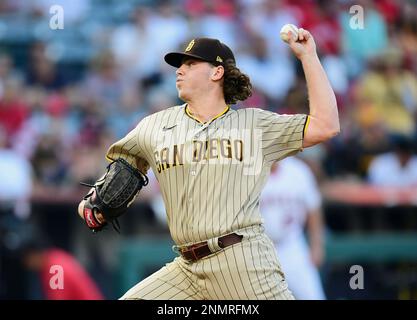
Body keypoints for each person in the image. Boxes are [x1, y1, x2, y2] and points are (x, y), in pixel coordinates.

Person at [78, 29, 339, 299]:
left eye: (190, 64)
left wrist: (308, 57)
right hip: (186, 269)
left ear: (216, 72)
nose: (180, 71)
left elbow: (326, 125)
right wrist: (91, 204)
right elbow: (119, 169)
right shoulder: (154, 126)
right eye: (180, 65)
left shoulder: (254, 125)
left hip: (242, 262)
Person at [260, 157, 326, 300]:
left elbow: (313, 208)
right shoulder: (245, 173)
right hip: (259, 250)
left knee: (312, 296)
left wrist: (316, 245)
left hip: (292, 246)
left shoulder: (298, 170)